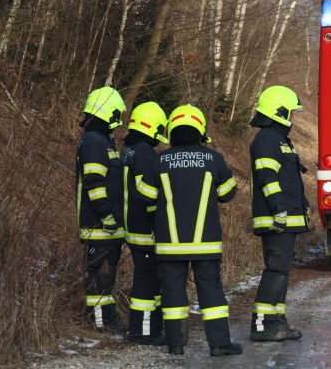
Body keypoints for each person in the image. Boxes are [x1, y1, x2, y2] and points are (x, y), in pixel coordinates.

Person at [137, 104, 242, 357]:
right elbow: (228, 193)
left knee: (172, 290)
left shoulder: (159, 160)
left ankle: (176, 345)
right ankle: (219, 344)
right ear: (200, 131)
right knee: (211, 288)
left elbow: (145, 196)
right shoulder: (214, 158)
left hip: (169, 243)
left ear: (172, 130)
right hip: (205, 242)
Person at [248, 85, 310, 342]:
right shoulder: (267, 139)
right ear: (279, 111)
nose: (293, 117)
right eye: (291, 112)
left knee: (281, 271)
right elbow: (267, 176)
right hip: (277, 220)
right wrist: (280, 209)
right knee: (275, 271)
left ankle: (277, 322)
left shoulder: (279, 139)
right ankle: (263, 326)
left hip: (285, 219)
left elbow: (286, 177)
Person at [75, 86, 127, 330]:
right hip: (99, 224)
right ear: (108, 112)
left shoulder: (101, 140)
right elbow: (94, 182)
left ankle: (107, 319)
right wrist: (106, 214)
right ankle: (99, 323)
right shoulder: (95, 142)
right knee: (98, 273)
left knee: (107, 274)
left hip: (108, 223)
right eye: (117, 114)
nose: (119, 121)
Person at [121, 101, 169, 345]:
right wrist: (158, 219)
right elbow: (146, 193)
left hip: (130, 225)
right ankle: (143, 331)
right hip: (143, 228)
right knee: (147, 279)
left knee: (146, 276)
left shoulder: (128, 148)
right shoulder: (145, 153)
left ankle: (148, 327)